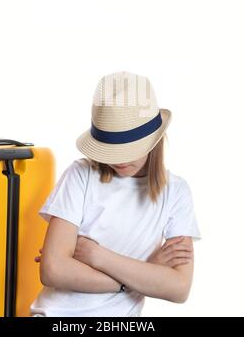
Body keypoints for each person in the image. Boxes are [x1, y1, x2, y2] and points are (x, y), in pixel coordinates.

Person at [30, 71, 201, 317]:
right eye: (110, 149)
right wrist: (144, 274)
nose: (118, 160)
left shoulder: (176, 193)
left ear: (155, 140)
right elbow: (53, 271)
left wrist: (96, 256)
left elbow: (178, 288)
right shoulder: (81, 175)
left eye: (127, 149)